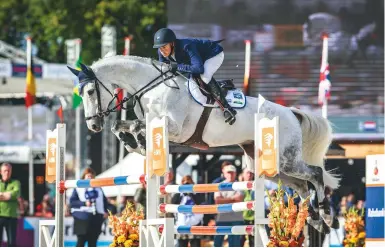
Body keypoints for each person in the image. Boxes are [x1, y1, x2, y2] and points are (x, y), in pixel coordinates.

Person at [153, 27, 237, 125]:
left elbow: (199, 69)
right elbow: (164, 71)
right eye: (160, 47)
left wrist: (178, 66)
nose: (162, 51)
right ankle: (219, 85)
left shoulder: (186, 46)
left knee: (204, 77)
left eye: (164, 47)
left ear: (172, 43)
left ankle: (227, 109)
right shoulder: (161, 52)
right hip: (198, 60)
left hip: (213, 55)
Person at [69, 168, 109, 247]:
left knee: (93, 243)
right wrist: (84, 203)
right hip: (82, 219)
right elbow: (72, 202)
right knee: (81, 243)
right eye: (88, 176)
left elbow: (104, 201)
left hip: (96, 218)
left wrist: (106, 211)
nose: (90, 178)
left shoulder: (98, 188)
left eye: (91, 176)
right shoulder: (78, 187)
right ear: (84, 177)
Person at [213, 164, 244, 247]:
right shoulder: (219, 185)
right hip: (223, 218)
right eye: (228, 172)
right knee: (217, 243)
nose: (230, 174)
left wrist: (224, 200)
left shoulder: (240, 184)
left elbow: (240, 199)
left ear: (235, 173)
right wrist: (233, 199)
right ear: (224, 174)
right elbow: (217, 201)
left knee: (235, 244)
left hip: (235, 218)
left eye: (232, 173)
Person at [171, 175, 204, 247]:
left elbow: (200, 202)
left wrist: (191, 193)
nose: (187, 186)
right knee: (181, 245)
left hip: (196, 224)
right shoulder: (178, 195)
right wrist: (183, 193)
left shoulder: (197, 193)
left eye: (189, 183)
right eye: (185, 184)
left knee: (196, 245)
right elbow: (173, 206)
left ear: (192, 183)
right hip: (182, 225)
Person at [0, 163, 21, 247]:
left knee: (12, 243)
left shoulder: (16, 183)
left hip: (11, 216)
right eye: (5, 171)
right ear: (1, 172)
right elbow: (11, 195)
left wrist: (2, 195)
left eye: (9, 171)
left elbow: (15, 194)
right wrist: (8, 195)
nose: (7, 173)